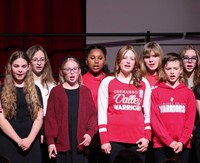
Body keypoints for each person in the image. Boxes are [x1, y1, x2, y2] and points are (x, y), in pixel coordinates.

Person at [98, 45, 152, 163]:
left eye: (132, 59)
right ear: (118, 61)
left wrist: (147, 137)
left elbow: (148, 113)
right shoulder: (107, 82)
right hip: (114, 140)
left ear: (135, 62)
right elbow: (102, 112)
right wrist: (104, 139)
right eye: (125, 58)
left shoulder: (143, 83)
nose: (128, 61)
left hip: (138, 139)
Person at [44, 56, 98, 163]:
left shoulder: (85, 91)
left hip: (81, 144)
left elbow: (92, 116)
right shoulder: (56, 91)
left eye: (74, 69)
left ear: (79, 71)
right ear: (62, 72)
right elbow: (51, 118)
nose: (72, 73)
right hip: (62, 144)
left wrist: (90, 133)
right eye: (68, 69)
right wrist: (50, 142)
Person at [151, 52, 196, 163]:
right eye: (169, 68)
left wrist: (182, 141)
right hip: (161, 145)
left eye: (175, 68)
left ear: (181, 70)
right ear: (163, 70)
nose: (172, 72)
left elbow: (189, 122)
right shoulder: (156, 92)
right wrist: (169, 141)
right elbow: (155, 121)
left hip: (183, 145)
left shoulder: (188, 93)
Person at [0, 51, 43, 163]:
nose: (20, 70)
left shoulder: (35, 89)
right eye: (16, 66)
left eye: (23, 66)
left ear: (29, 67)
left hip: (31, 142)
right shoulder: (1, 89)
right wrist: (18, 140)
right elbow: (1, 119)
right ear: (10, 67)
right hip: (8, 141)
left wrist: (30, 139)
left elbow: (39, 117)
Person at [26, 45, 57, 163]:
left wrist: (45, 131)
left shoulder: (51, 84)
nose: (39, 63)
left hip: (47, 127)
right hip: (28, 126)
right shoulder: (23, 83)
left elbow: (52, 112)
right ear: (29, 62)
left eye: (42, 60)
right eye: (35, 60)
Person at [82, 44, 110, 163]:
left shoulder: (110, 80)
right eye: (92, 58)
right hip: (86, 129)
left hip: (105, 130)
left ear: (105, 60)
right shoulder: (80, 80)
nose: (96, 62)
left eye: (100, 58)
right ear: (86, 60)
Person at [140, 41, 164, 163]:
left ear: (160, 57)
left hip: (162, 128)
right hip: (144, 127)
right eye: (147, 57)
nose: (151, 60)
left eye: (155, 56)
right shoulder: (138, 78)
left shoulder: (165, 78)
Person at [179, 45, 200, 162]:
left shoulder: (199, 83)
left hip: (197, 132)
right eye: (186, 58)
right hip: (179, 131)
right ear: (181, 60)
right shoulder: (175, 81)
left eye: (193, 58)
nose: (190, 61)